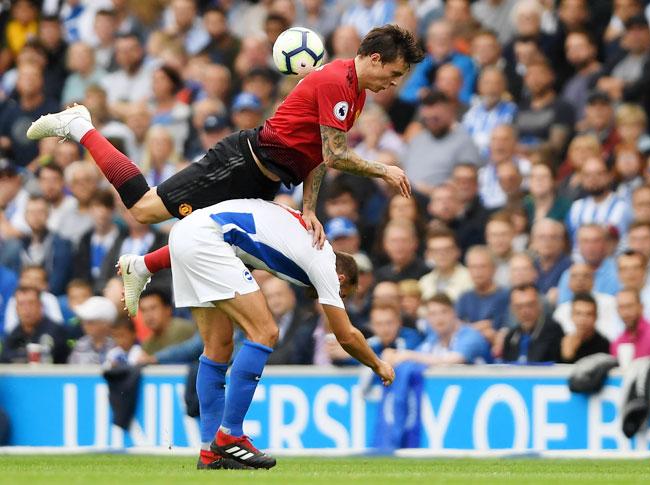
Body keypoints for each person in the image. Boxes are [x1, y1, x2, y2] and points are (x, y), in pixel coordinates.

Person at [28, 25, 423, 316]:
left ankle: (142, 265)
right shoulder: (338, 80)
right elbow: (337, 155)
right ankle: (80, 125)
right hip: (241, 162)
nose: (393, 83)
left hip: (263, 177)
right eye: (394, 73)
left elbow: (318, 155)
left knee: (228, 242)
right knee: (145, 210)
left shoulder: (354, 92)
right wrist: (383, 169)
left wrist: (310, 209)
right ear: (376, 58)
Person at [158, 198, 395, 469]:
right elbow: (346, 335)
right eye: (342, 296)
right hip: (209, 239)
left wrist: (145, 264)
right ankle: (229, 435)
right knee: (266, 331)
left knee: (217, 347)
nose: (333, 301)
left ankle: (210, 454)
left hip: (186, 235)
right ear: (341, 279)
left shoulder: (299, 246)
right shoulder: (325, 263)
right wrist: (378, 364)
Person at [382, 293, 491, 366]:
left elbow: (451, 361)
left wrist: (408, 355)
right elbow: (419, 356)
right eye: (433, 314)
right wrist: (395, 354)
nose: (439, 318)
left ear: (454, 313)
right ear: (428, 318)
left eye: (443, 312)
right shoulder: (434, 338)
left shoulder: (471, 336)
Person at [0, 286, 69, 364]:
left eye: (31, 303)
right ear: (16, 308)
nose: (26, 309)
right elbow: (4, 361)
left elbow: (47, 358)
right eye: (21, 304)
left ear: (40, 305)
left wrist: (17, 356)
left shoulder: (56, 331)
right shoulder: (14, 334)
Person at [502, 284, 564, 364]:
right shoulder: (510, 337)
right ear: (512, 309)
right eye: (519, 306)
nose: (525, 312)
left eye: (530, 305)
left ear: (540, 304)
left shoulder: (553, 330)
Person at [611, 287, 650, 359]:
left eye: (629, 306)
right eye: (621, 307)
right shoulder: (617, 343)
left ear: (641, 307)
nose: (626, 312)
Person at [139, 288, 195, 355]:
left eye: (153, 308)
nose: (148, 315)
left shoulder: (182, 329)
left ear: (168, 309)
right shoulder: (147, 344)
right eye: (143, 310)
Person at [560, 292, 610, 364]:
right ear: (571, 316)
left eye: (588, 314)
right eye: (578, 313)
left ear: (596, 317)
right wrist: (566, 357)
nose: (583, 319)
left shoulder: (604, 345)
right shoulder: (562, 341)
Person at [67, 296, 117, 365]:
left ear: (105, 324)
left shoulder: (117, 345)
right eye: (84, 321)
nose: (85, 326)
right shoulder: (80, 344)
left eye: (91, 322)